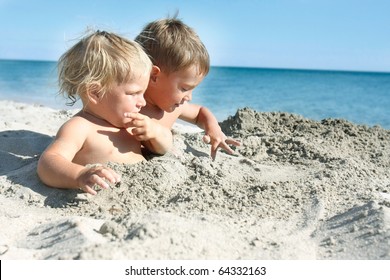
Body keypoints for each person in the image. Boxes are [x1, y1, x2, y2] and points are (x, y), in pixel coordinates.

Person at [37, 30, 172, 195]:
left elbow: (162, 149)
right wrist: (79, 175)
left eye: (143, 93)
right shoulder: (80, 127)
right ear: (95, 93)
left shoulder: (129, 123)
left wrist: (155, 133)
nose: (142, 102)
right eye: (133, 93)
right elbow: (48, 162)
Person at [135, 17, 240, 160]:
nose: (189, 97)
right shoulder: (132, 107)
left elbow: (200, 113)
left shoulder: (176, 107)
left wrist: (214, 129)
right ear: (154, 76)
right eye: (184, 89)